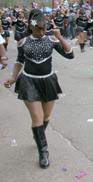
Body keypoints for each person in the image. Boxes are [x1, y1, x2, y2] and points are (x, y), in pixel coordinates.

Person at [4, 9, 74, 169]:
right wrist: (14, 77)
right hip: (28, 81)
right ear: (31, 26)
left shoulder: (51, 39)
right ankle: (43, 151)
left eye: (44, 29)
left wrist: (59, 37)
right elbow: (19, 61)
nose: (42, 32)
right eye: (38, 29)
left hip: (47, 81)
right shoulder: (23, 42)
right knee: (37, 116)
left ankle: (38, 135)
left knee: (45, 117)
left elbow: (70, 55)